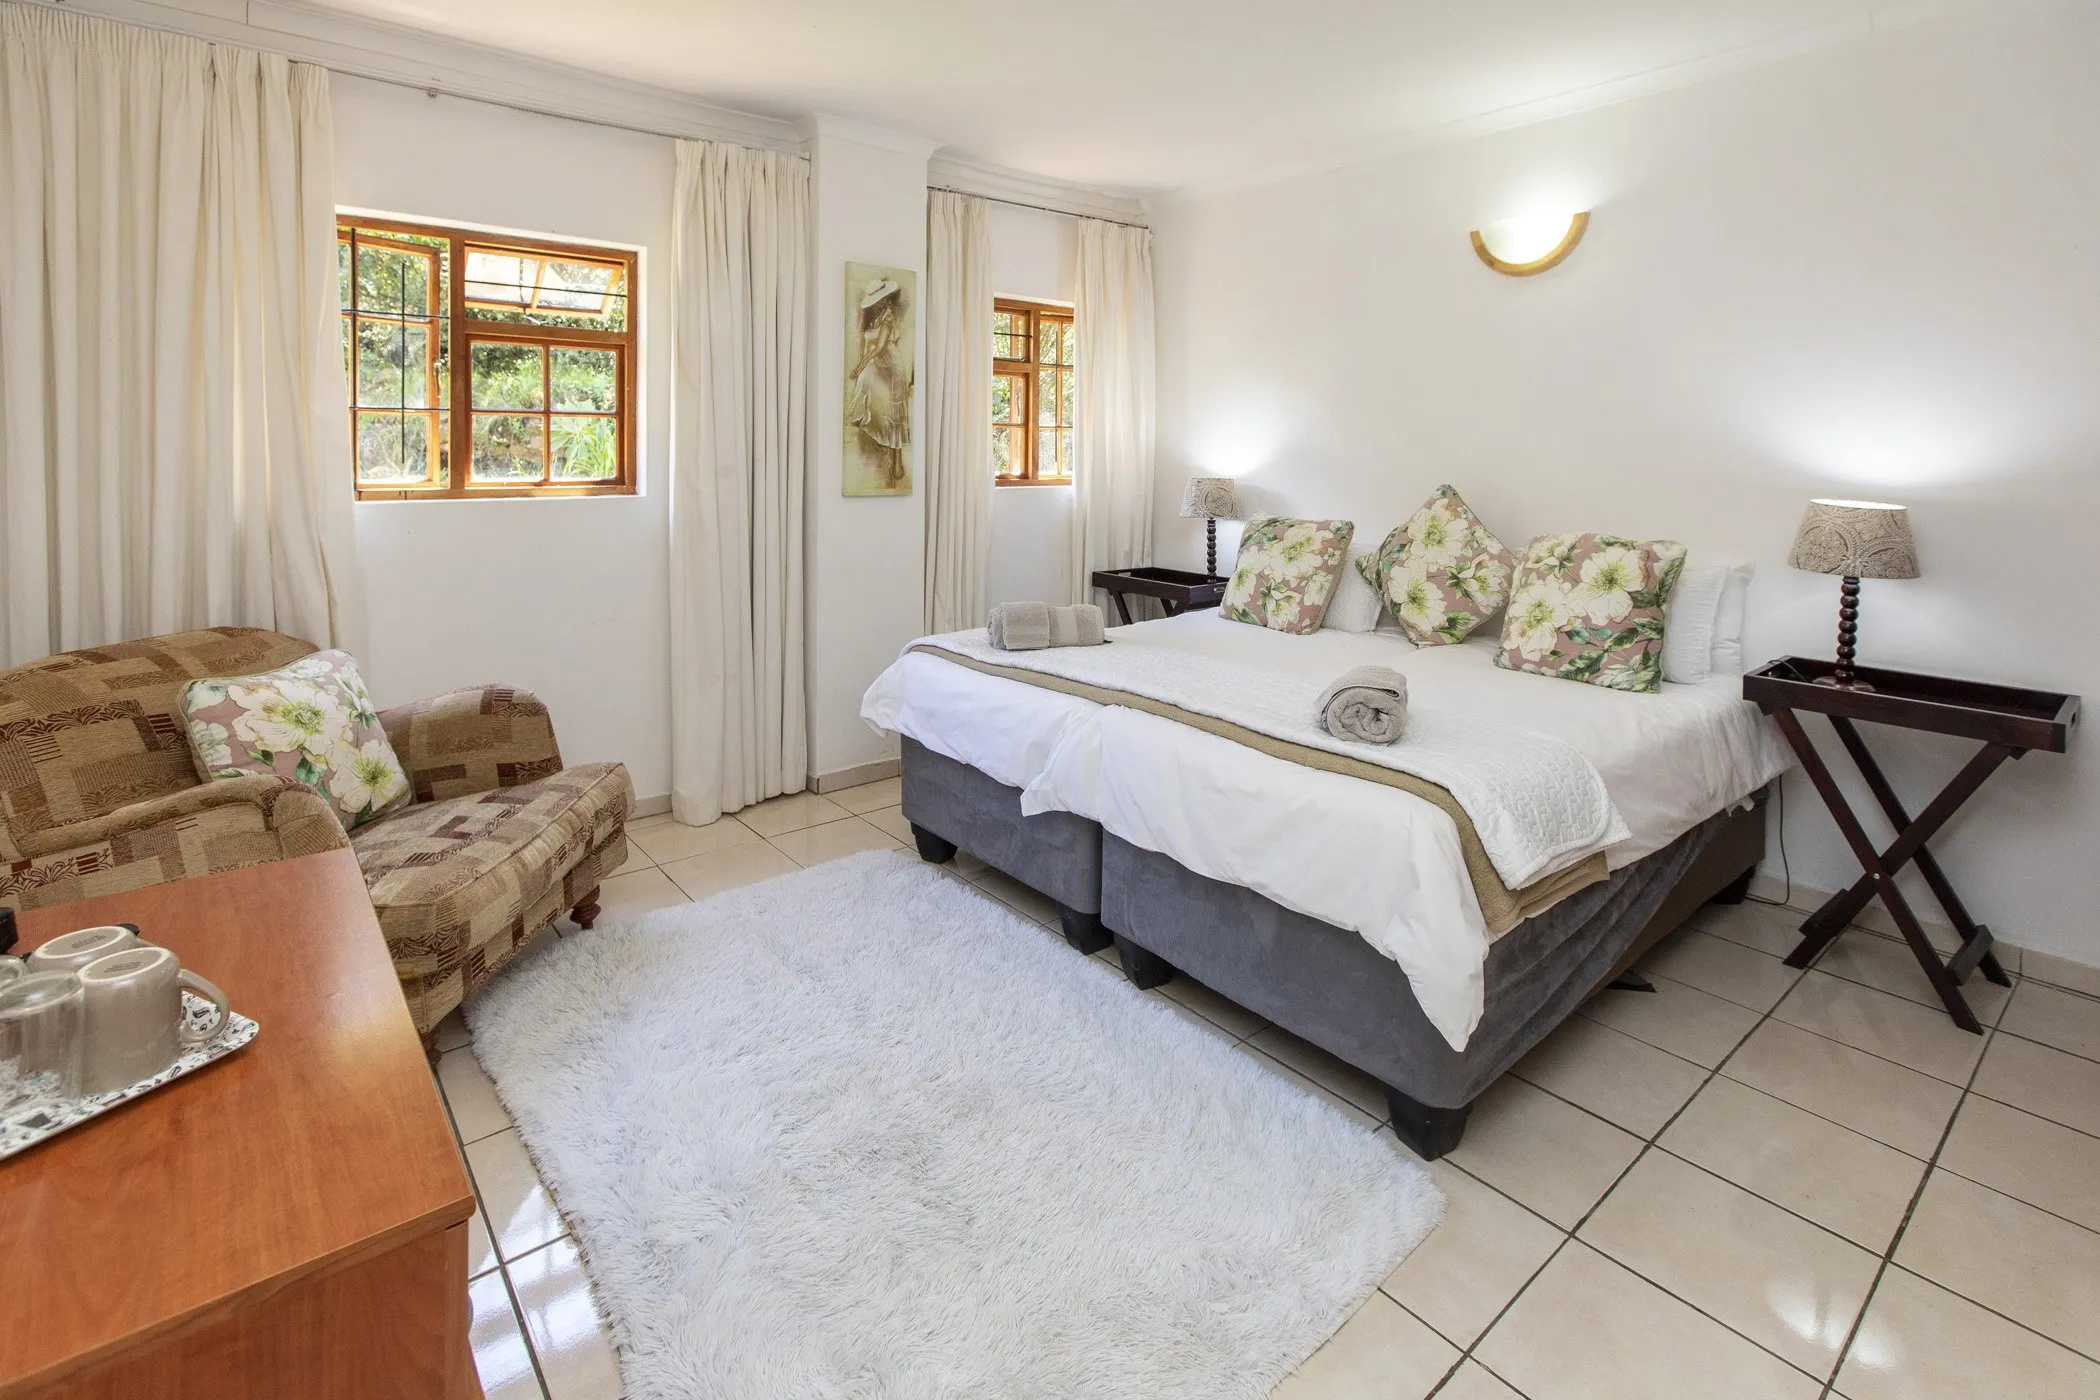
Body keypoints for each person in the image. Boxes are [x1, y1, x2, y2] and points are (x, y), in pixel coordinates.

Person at [847, 276, 911, 489]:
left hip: (891, 364)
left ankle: (897, 460)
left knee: (895, 411)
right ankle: (868, 420)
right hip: (876, 363)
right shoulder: (870, 317)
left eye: (881, 299)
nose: (879, 302)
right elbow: (866, 346)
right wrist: (861, 365)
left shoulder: (888, 316)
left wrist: (859, 366)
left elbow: (879, 347)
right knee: (865, 381)